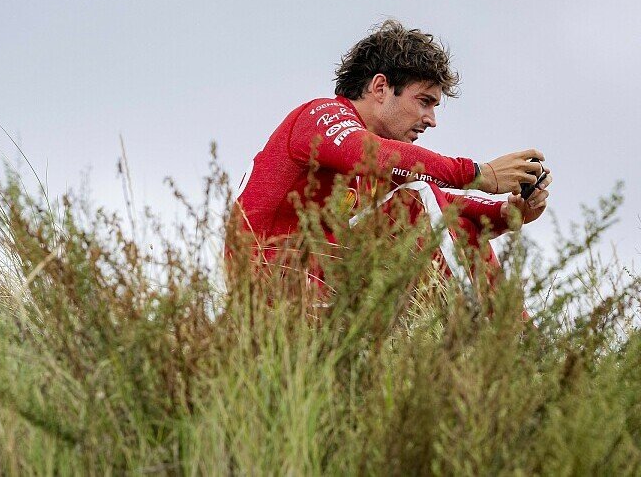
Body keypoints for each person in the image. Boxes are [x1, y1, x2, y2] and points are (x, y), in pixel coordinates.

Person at [232, 20, 552, 293]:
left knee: (456, 224)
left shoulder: (372, 161)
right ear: (381, 87)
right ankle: (484, 334)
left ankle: (518, 336)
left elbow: (443, 205)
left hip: (313, 291)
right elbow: (378, 159)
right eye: (424, 101)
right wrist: (479, 174)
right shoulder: (321, 115)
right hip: (271, 289)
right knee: (414, 200)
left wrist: (507, 212)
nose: (431, 120)